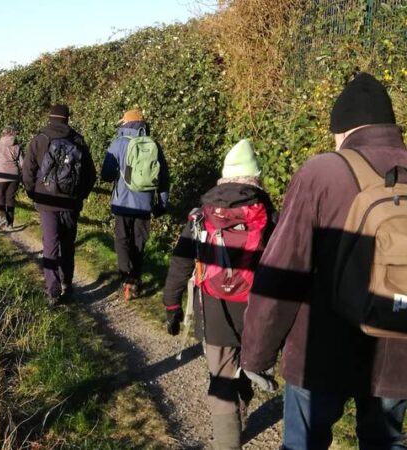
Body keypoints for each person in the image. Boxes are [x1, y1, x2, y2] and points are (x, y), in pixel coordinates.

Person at [241, 72, 407, 450]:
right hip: (399, 347)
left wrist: (257, 353)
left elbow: (283, 272)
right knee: (386, 443)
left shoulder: (322, 172)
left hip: (321, 352)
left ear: (343, 128)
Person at [164, 139, 275, 450]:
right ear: (255, 177)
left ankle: (227, 441)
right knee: (249, 363)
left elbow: (181, 261)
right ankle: (239, 412)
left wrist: (171, 303)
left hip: (214, 310)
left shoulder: (202, 215)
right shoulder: (268, 214)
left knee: (221, 376)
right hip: (259, 309)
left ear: (224, 176)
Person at [22, 104, 96, 305]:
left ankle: (52, 290)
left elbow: (28, 171)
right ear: (67, 119)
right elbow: (90, 174)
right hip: (71, 202)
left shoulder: (39, 140)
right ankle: (67, 285)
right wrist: (79, 196)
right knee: (68, 244)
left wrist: (32, 192)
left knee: (50, 244)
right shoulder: (78, 141)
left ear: (49, 118)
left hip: (46, 202)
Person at [101, 109, 170, 300]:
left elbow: (106, 175)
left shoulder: (118, 143)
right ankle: (135, 278)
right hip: (145, 204)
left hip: (122, 203)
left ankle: (126, 280)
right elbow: (163, 177)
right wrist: (162, 203)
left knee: (122, 240)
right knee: (139, 242)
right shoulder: (153, 145)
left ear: (125, 124)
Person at [0, 126, 22, 229]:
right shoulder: (17, 146)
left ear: (3, 133)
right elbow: (22, 162)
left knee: (0, 196)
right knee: (10, 198)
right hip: (14, 175)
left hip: (1, 175)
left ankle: (3, 216)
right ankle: (10, 223)